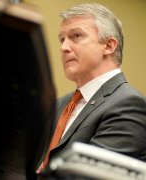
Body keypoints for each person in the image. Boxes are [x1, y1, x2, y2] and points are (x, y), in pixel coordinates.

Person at [36, 3, 146, 175]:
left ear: (108, 46)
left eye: (76, 36)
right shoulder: (58, 105)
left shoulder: (129, 105)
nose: (63, 47)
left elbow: (87, 177)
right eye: (62, 39)